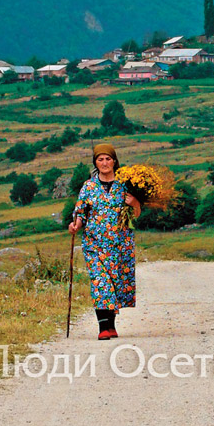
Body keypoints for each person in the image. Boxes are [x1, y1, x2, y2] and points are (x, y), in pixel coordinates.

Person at [69, 143, 141, 340]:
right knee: (100, 282)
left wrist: (135, 203)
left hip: (120, 244)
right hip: (95, 244)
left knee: (115, 283)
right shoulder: (89, 186)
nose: (104, 163)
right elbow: (80, 211)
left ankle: (112, 326)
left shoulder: (125, 185)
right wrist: (75, 225)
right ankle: (103, 328)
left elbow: (136, 214)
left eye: (108, 159)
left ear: (115, 161)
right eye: (100, 159)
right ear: (95, 163)